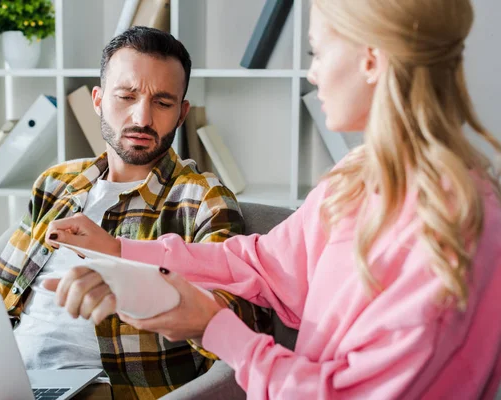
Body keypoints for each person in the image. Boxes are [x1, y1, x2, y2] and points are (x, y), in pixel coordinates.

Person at [44, 0, 501, 398]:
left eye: (316, 52)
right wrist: (121, 251)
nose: (312, 72)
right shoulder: (355, 179)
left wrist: (212, 327)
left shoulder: (451, 228)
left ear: (371, 60)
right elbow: (261, 264)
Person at [0, 26, 268, 399]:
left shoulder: (202, 199)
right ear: (98, 99)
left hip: (105, 389)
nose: (142, 117)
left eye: (163, 102)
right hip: (5, 378)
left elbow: (239, 321)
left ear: (181, 112)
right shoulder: (56, 182)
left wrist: (131, 284)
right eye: (126, 96)